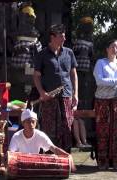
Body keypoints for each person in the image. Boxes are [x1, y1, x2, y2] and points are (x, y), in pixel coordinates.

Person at [33, 24, 78, 153]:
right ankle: (50, 158)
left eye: (64, 36)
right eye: (61, 37)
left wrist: (76, 94)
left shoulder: (69, 52)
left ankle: (66, 158)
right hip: (49, 97)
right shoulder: (42, 55)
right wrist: (42, 93)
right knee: (50, 128)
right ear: (52, 37)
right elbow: (36, 76)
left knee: (67, 127)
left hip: (67, 95)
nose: (64, 39)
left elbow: (73, 74)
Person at [93, 39, 117, 170]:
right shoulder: (100, 63)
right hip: (102, 100)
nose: (115, 49)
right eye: (112, 46)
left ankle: (115, 160)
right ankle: (102, 159)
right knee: (103, 129)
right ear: (107, 49)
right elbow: (99, 81)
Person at [72, 16, 95, 148]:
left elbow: (92, 58)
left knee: (85, 99)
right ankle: (80, 139)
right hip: (78, 73)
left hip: (87, 74)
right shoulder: (76, 42)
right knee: (79, 98)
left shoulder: (90, 42)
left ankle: (84, 138)